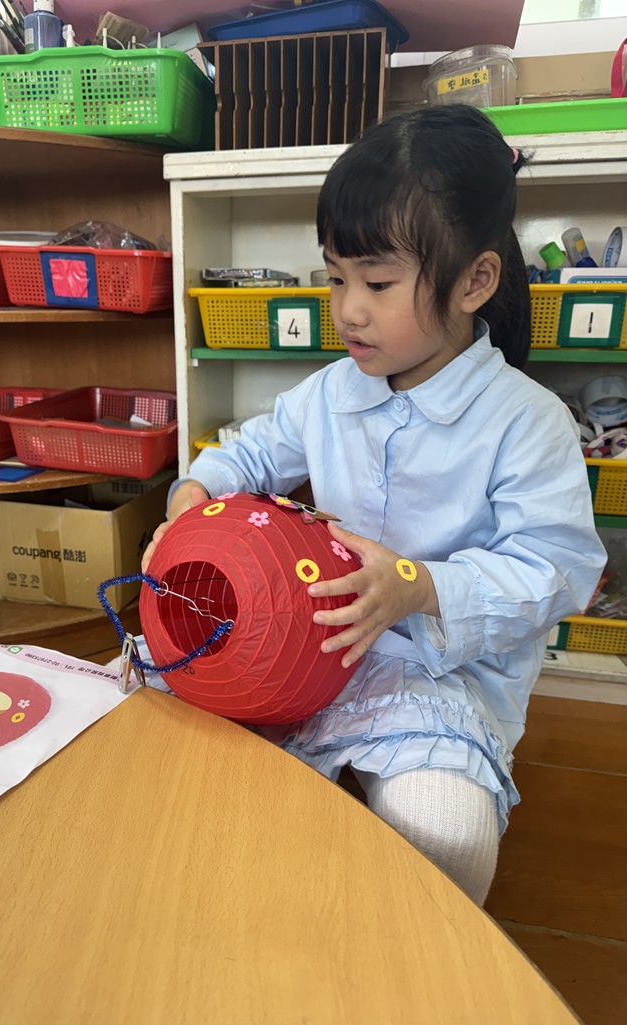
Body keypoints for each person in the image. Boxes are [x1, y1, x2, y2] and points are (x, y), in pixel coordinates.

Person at [141, 104, 607, 905]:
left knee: (445, 836)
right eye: (334, 277)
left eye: (377, 282)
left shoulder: (526, 422)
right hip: (299, 645)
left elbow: (557, 571)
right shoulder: (328, 393)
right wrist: (193, 495)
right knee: (159, 734)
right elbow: (245, 454)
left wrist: (417, 586)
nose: (348, 308)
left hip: (438, 675)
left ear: (475, 281)